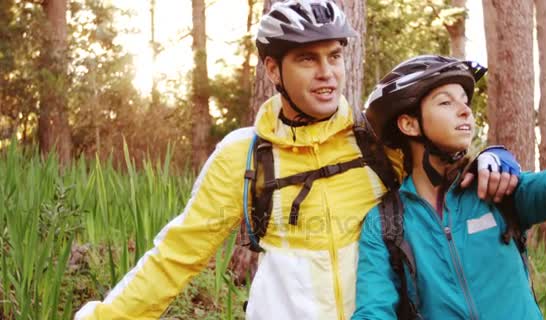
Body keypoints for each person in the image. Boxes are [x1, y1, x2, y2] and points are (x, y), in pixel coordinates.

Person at [75, 2, 520, 320]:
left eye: (334, 57)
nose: (327, 72)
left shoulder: (377, 142)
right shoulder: (243, 155)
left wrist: (496, 158)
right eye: (307, 59)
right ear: (272, 70)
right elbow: (176, 255)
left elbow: (452, 177)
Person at [352, 55, 546, 320]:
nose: (465, 110)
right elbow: (373, 311)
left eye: (464, 101)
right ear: (409, 124)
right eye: (446, 102)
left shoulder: (497, 188)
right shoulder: (385, 223)